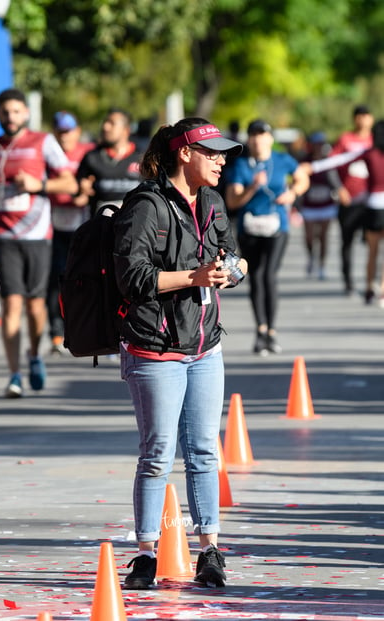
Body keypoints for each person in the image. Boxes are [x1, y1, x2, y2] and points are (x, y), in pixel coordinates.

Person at [113, 117, 247, 590]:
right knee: (156, 454)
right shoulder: (145, 206)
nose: (221, 160)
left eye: (223, 153)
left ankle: (210, 549)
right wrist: (194, 277)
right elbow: (133, 278)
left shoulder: (210, 201)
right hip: (155, 348)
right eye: (212, 152)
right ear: (184, 154)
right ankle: (146, 554)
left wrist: (232, 269)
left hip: (205, 344)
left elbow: (233, 255)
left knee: (206, 451)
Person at [0, 88, 77, 398]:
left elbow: (69, 183)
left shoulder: (43, 142)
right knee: (11, 303)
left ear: (26, 114)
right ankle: (14, 374)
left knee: (34, 306)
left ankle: (34, 354)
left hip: (37, 235)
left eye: (16, 111)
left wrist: (38, 184)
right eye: (5, 112)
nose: (10, 117)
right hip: (3, 235)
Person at [225, 119, 309, 356]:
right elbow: (232, 201)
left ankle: (271, 331)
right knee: (255, 276)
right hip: (249, 228)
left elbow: (303, 179)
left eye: (262, 135)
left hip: (277, 226)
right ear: (249, 139)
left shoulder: (282, 160)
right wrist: (252, 187)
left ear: (271, 139)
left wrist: (292, 193)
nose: (257, 139)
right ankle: (260, 330)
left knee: (268, 274)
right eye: (253, 135)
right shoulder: (240, 165)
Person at [306, 119, 384, 305]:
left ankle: (368, 288)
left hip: (373, 206)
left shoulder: (369, 153)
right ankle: (382, 290)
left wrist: (313, 166)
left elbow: (340, 159)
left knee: (373, 252)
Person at [46, 111, 94, 354]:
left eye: (68, 131)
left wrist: (84, 194)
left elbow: (95, 180)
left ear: (77, 131)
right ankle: (56, 333)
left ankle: (88, 330)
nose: (64, 136)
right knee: (56, 281)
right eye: (60, 131)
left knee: (85, 281)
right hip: (54, 226)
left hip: (83, 228)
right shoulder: (48, 153)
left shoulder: (88, 152)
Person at [328, 105, 374, 295]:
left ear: (371, 119)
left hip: (371, 202)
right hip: (349, 201)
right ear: (354, 119)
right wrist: (339, 189)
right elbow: (329, 166)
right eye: (359, 116)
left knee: (374, 241)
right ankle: (348, 281)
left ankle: (371, 282)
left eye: (366, 115)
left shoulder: (376, 140)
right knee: (347, 242)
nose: (362, 119)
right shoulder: (345, 139)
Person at [76, 107, 142, 217]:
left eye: (112, 123)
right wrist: (82, 190)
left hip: (135, 226)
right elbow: (78, 194)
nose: (105, 127)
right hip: (101, 227)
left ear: (126, 130)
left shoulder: (142, 157)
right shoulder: (92, 157)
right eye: (105, 122)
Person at [300, 132, 338, 280]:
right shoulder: (305, 161)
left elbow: (335, 181)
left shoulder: (328, 162)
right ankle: (311, 258)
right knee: (309, 237)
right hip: (309, 205)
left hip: (326, 204)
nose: (319, 146)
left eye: (321, 144)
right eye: (316, 143)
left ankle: (322, 265)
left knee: (323, 237)